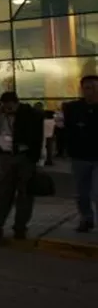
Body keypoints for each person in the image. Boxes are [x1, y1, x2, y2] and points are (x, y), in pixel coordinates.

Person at [0, 91, 44, 242]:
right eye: (5, 106)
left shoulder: (30, 114)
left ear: (16, 103)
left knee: (25, 195)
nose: (8, 109)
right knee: (3, 194)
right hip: (5, 156)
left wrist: (39, 159)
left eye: (10, 106)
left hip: (24, 156)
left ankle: (20, 227)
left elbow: (38, 138)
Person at [56, 75, 98, 233]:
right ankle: (86, 219)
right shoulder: (73, 108)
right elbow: (62, 127)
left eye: (94, 87)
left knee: (97, 191)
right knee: (81, 193)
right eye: (88, 88)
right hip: (80, 156)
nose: (91, 91)